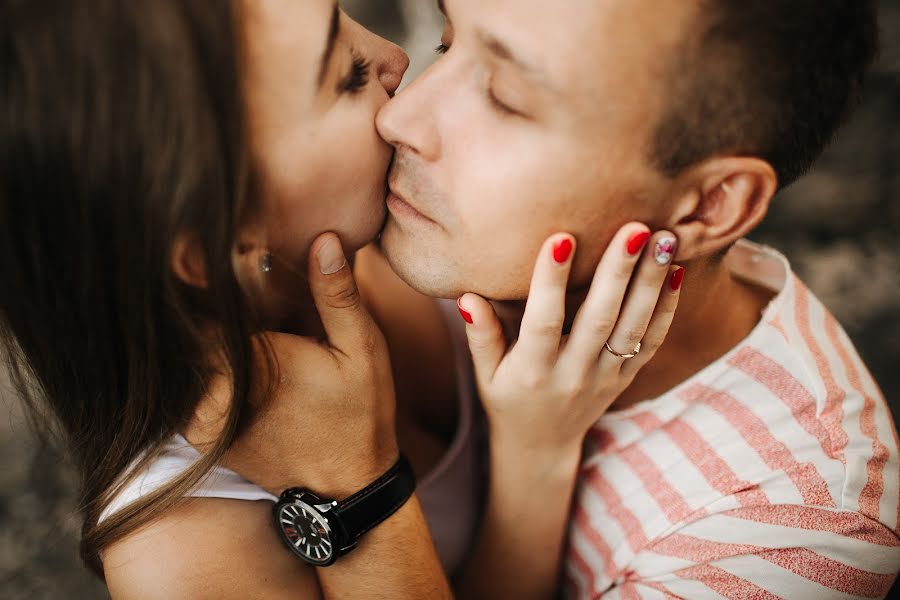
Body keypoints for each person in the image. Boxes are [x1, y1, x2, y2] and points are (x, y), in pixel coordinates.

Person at [0, 0, 679, 598]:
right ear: (216, 244)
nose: (395, 61)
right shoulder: (184, 553)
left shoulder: (380, 239)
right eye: (347, 77)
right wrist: (360, 493)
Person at [361, 0, 900, 597]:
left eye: (506, 98)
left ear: (709, 205)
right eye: (445, 42)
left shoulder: (790, 531)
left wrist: (531, 459)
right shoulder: (452, 246)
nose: (400, 116)